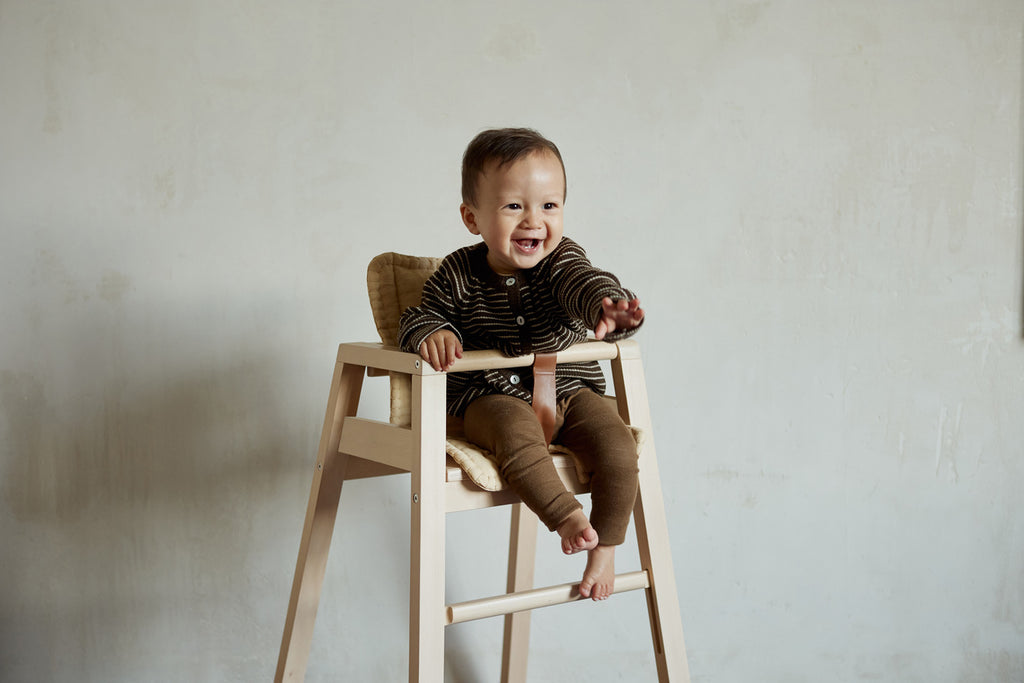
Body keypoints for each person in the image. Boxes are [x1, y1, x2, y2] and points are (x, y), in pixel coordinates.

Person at [398, 128, 644, 600]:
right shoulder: (457, 273)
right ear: (472, 218)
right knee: (514, 434)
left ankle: (607, 545)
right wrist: (432, 332)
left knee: (617, 446)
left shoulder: (563, 261)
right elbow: (419, 315)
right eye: (514, 206)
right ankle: (566, 515)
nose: (534, 220)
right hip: (489, 395)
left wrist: (607, 307)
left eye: (549, 206)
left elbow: (585, 283)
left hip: (572, 391)